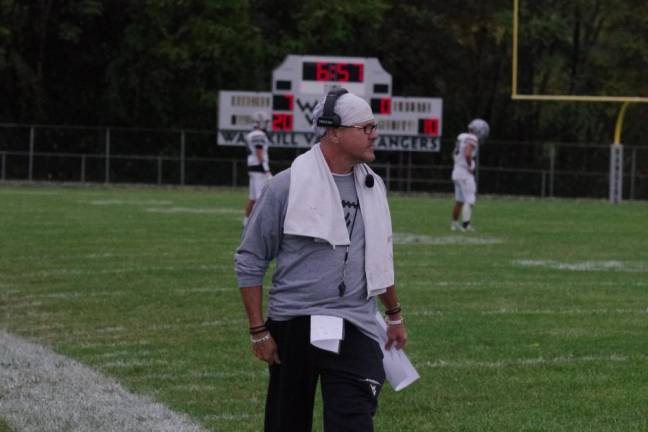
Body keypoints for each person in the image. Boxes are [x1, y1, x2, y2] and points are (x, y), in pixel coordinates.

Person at [234, 88, 407, 432]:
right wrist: (258, 331)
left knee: (353, 420)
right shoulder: (284, 186)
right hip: (294, 322)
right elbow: (250, 258)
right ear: (334, 132)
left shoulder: (373, 185)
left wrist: (394, 314)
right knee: (287, 423)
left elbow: (379, 257)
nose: (374, 134)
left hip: (355, 322)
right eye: (365, 127)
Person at [450, 118, 490, 231]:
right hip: (464, 173)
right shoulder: (472, 138)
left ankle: (454, 224)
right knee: (470, 198)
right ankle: (466, 225)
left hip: (456, 171)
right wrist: (469, 165)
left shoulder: (461, 136)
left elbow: (454, 154)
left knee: (459, 200)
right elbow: (468, 153)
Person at [243, 111, 272, 227]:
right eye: (265, 122)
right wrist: (266, 168)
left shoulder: (251, 134)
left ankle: (246, 222)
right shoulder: (258, 134)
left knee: (253, 197)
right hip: (259, 168)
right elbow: (259, 151)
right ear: (259, 123)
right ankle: (258, 222)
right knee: (261, 197)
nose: (266, 125)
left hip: (253, 168)